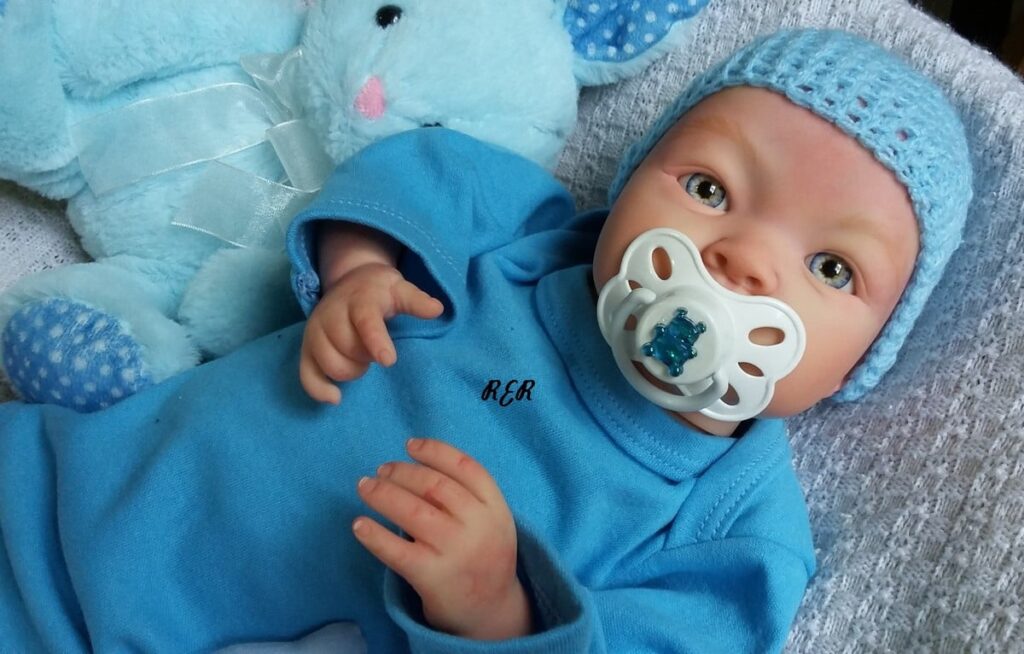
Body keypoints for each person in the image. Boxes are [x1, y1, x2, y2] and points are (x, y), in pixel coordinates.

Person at [0, 29, 971, 653]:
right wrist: (360, 267)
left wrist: (500, 608)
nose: (743, 258)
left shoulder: (731, 523)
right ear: (631, 180)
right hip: (60, 485)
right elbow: (417, 170)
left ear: (864, 360)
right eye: (709, 188)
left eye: (831, 268)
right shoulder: (521, 237)